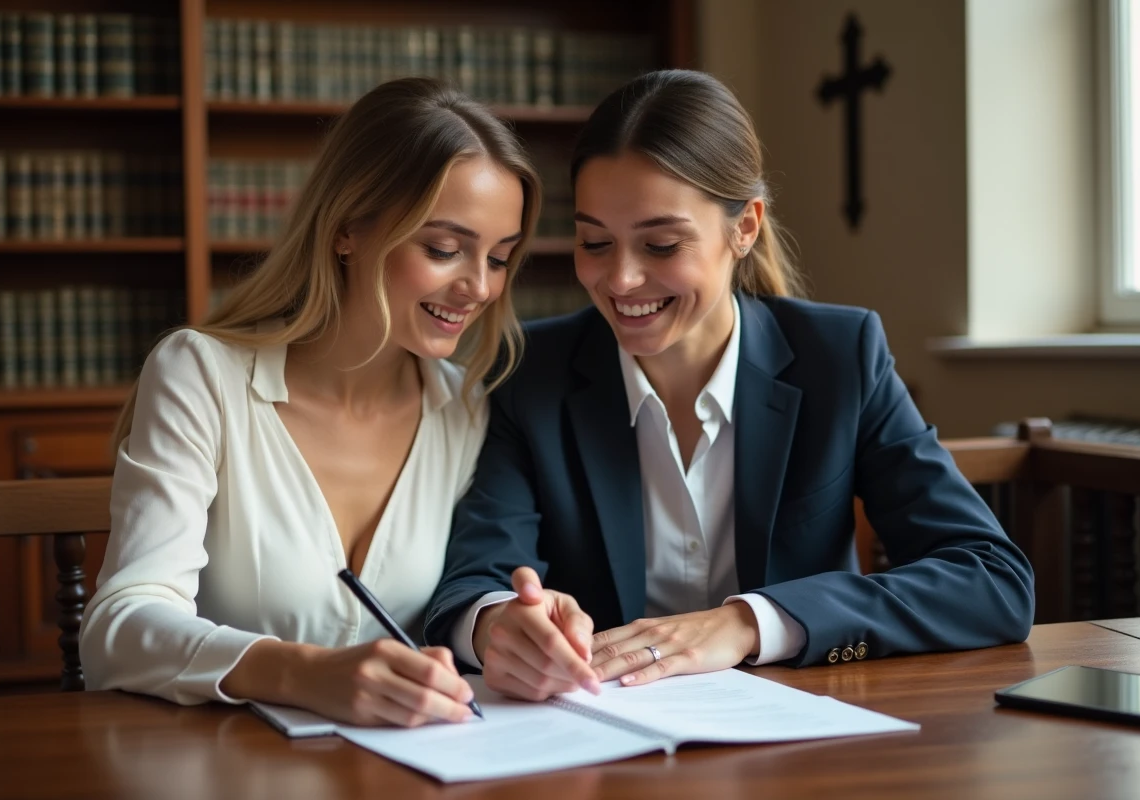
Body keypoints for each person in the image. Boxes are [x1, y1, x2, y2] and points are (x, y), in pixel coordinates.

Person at [425, 69, 1034, 700]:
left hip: (805, 739)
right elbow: (473, 583)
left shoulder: (840, 358)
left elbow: (992, 581)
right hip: (607, 741)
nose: (621, 279)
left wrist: (749, 623)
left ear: (743, 228)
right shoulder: (531, 370)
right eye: (595, 242)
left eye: (661, 245)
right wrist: (500, 624)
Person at [79, 77, 541, 727]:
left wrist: (504, 625)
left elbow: (466, 597)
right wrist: (301, 673)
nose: (479, 287)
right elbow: (119, 629)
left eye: (499, 257)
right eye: (443, 249)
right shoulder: (201, 377)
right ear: (348, 228)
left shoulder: (464, 409)